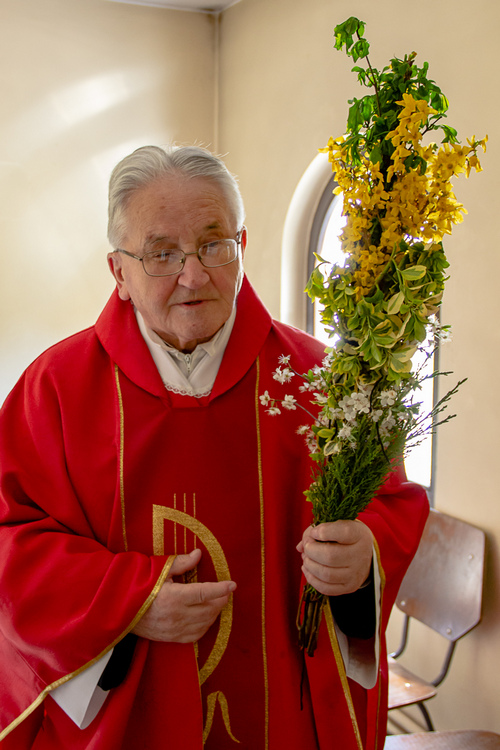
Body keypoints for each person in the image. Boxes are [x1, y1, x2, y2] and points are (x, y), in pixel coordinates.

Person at [0, 145, 428, 750]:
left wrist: (365, 558)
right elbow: (11, 539)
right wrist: (127, 603)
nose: (193, 275)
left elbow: (390, 501)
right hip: (125, 719)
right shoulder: (55, 391)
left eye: (214, 244)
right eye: (161, 253)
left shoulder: (321, 381)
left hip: (282, 713)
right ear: (119, 272)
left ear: (242, 246)